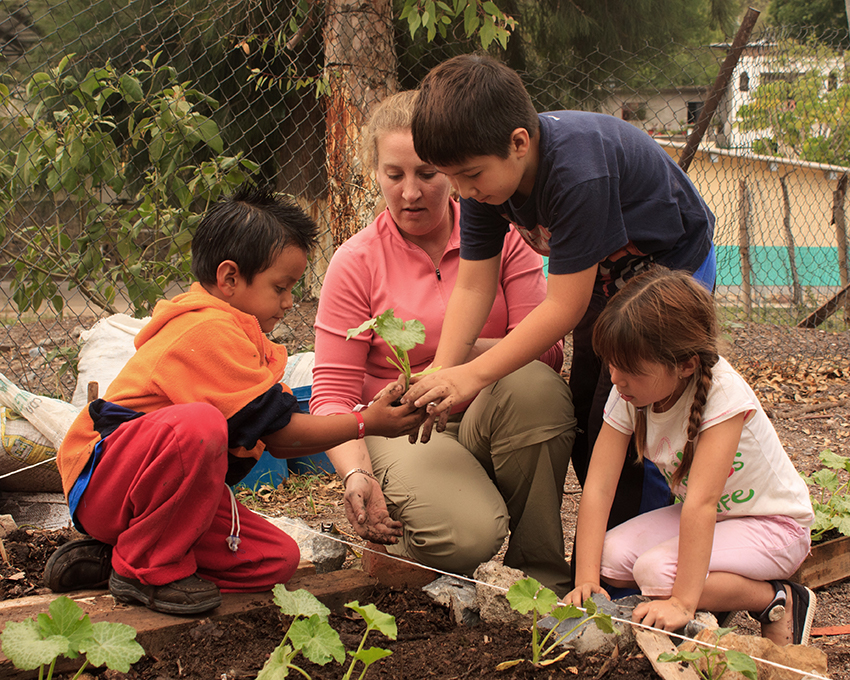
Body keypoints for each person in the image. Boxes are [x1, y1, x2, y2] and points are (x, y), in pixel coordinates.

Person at [44, 186, 426, 616]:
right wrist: (367, 422)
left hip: (154, 507)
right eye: (280, 287)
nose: (289, 302)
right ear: (229, 279)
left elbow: (281, 434)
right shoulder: (205, 330)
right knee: (200, 424)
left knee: (276, 560)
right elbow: (281, 433)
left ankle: (123, 554)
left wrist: (365, 416)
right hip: (103, 484)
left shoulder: (242, 337)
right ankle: (144, 569)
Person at [404, 54, 717, 530]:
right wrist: (445, 370)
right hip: (605, 279)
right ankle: (609, 544)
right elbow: (473, 283)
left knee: (635, 413)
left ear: (519, 143)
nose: (462, 192)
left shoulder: (577, 172)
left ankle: (650, 544)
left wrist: (473, 375)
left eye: (469, 175)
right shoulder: (484, 180)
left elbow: (563, 307)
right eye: (453, 177)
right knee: (589, 414)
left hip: (673, 271)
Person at [311, 90, 577, 595]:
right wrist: (355, 475)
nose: (410, 192)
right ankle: (418, 543)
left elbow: (545, 350)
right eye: (394, 175)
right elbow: (331, 396)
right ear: (375, 173)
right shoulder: (356, 262)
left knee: (536, 387)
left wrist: (457, 361)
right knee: (468, 536)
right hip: (404, 431)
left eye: (427, 173)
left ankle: (538, 575)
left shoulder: (504, 236)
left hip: (492, 412)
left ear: (453, 173)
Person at [564, 267, 816, 646]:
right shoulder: (630, 390)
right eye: (611, 364)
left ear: (686, 364)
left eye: (629, 369)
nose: (615, 378)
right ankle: (715, 595)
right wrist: (585, 578)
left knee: (657, 573)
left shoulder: (723, 396)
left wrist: (682, 602)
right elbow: (599, 487)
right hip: (720, 520)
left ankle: (778, 598)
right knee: (606, 557)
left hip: (774, 527)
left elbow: (702, 503)